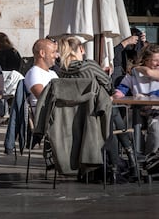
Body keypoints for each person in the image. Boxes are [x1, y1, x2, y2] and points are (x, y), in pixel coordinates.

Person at [58, 35, 136, 183]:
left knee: (110, 114)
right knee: (110, 114)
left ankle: (119, 162)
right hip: (93, 116)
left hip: (72, 119)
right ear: (81, 49)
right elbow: (108, 84)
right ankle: (127, 159)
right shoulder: (89, 65)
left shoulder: (62, 71)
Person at [113, 44, 159, 155]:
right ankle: (137, 158)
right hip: (137, 110)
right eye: (155, 60)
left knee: (156, 128)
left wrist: (138, 68)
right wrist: (113, 96)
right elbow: (121, 91)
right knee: (126, 127)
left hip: (156, 111)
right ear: (146, 60)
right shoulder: (133, 75)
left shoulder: (146, 71)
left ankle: (150, 158)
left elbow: (149, 73)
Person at [24, 38, 59, 109]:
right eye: (53, 52)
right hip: (45, 116)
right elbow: (43, 97)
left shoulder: (52, 73)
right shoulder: (34, 73)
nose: (56, 56)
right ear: (42, 53)